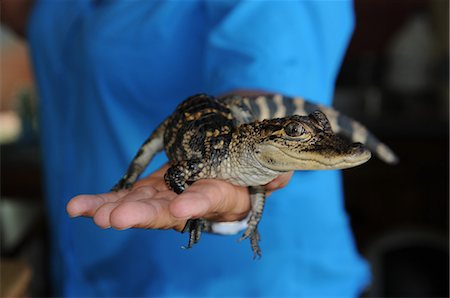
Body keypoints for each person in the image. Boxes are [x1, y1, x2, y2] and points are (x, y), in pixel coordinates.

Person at [3, 0, 370, 296]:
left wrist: (238, 167)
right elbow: (41, 19)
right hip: (89, 270)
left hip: (232, 283)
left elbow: (266, 70)